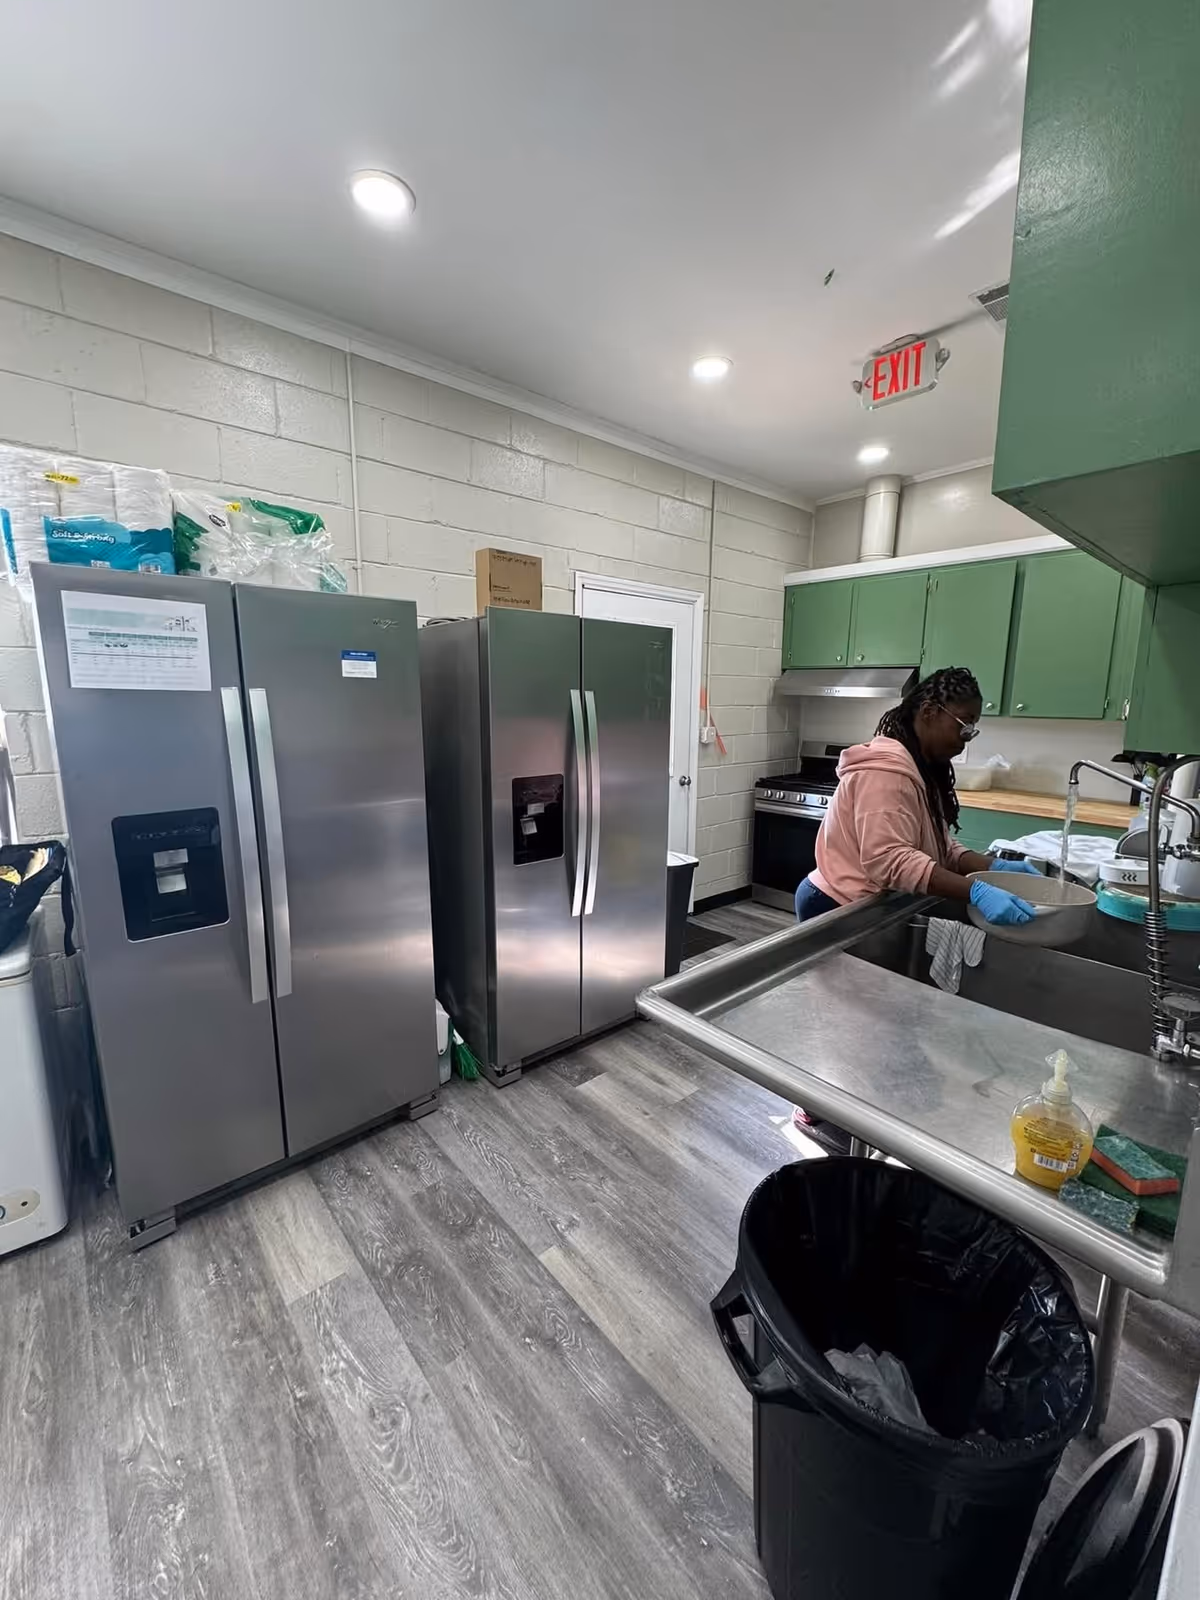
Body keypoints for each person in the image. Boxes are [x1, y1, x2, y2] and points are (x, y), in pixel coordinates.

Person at [791, 665, 1041, 1153]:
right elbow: (888, 861)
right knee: (847, 1023)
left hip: (866, 908)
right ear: (930, 712)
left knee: (868, 1022)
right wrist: (976, 893)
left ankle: (865, 1099)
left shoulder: (917, 766)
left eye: (974, 727)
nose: (967, 738)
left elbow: (940, 849)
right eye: (963, 724)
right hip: (837, 905)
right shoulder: (888, 774)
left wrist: (995, 870)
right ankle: (819, 1110)